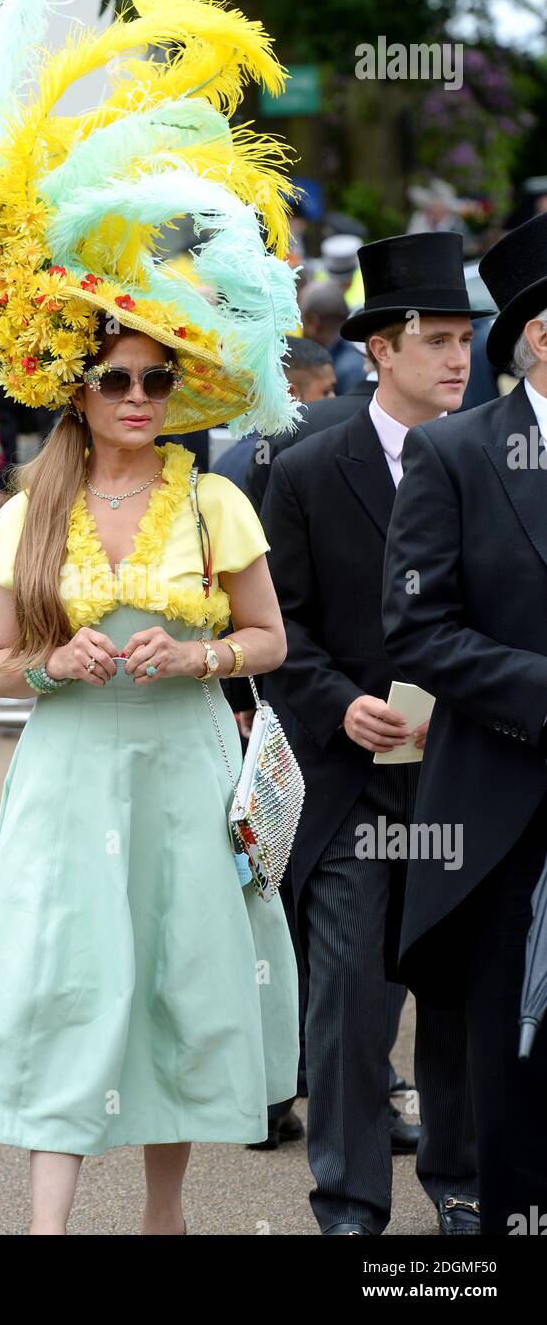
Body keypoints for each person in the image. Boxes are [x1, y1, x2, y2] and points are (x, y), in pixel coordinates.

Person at [0, 0, 302, 1236]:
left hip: (183, 769)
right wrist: (56, 663)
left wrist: (195, 657)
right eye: (116, 377)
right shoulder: (28, 512)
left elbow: (267, 638)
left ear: (179, 386)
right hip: (72, 775)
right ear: (78, 387)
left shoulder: (214, 502)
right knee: (64, 983)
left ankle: (163, 1223)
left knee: (173, 990)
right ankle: (46, 1230)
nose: (137, 397)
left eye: (157, 377)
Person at [259, 231, 492, 1236]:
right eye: (434, 339)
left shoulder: (496, 459)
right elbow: (275, 628)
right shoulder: (309, 467)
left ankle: (462, 1190)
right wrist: (334, 701)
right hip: (351, 786)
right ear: (377, 352)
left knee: (457, 1005)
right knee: (350, 1007)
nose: (457, 358)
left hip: (464, 782)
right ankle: (349, 1204)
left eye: (463, 339)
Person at [383, 210, 547, 1235]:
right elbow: (416, 630)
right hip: (501, 820)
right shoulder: (455, 454)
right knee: (514, 1067)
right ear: (539, 332)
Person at [211, 336, 335, 488]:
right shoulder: (284, 459)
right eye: (327, 391)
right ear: (291, 395)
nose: (334, 400)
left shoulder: (229, 458)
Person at [300, 280, 365, 395]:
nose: (300, 329)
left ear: (314, 324)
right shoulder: (356, 350)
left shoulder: (348, 370)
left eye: (301, 321)